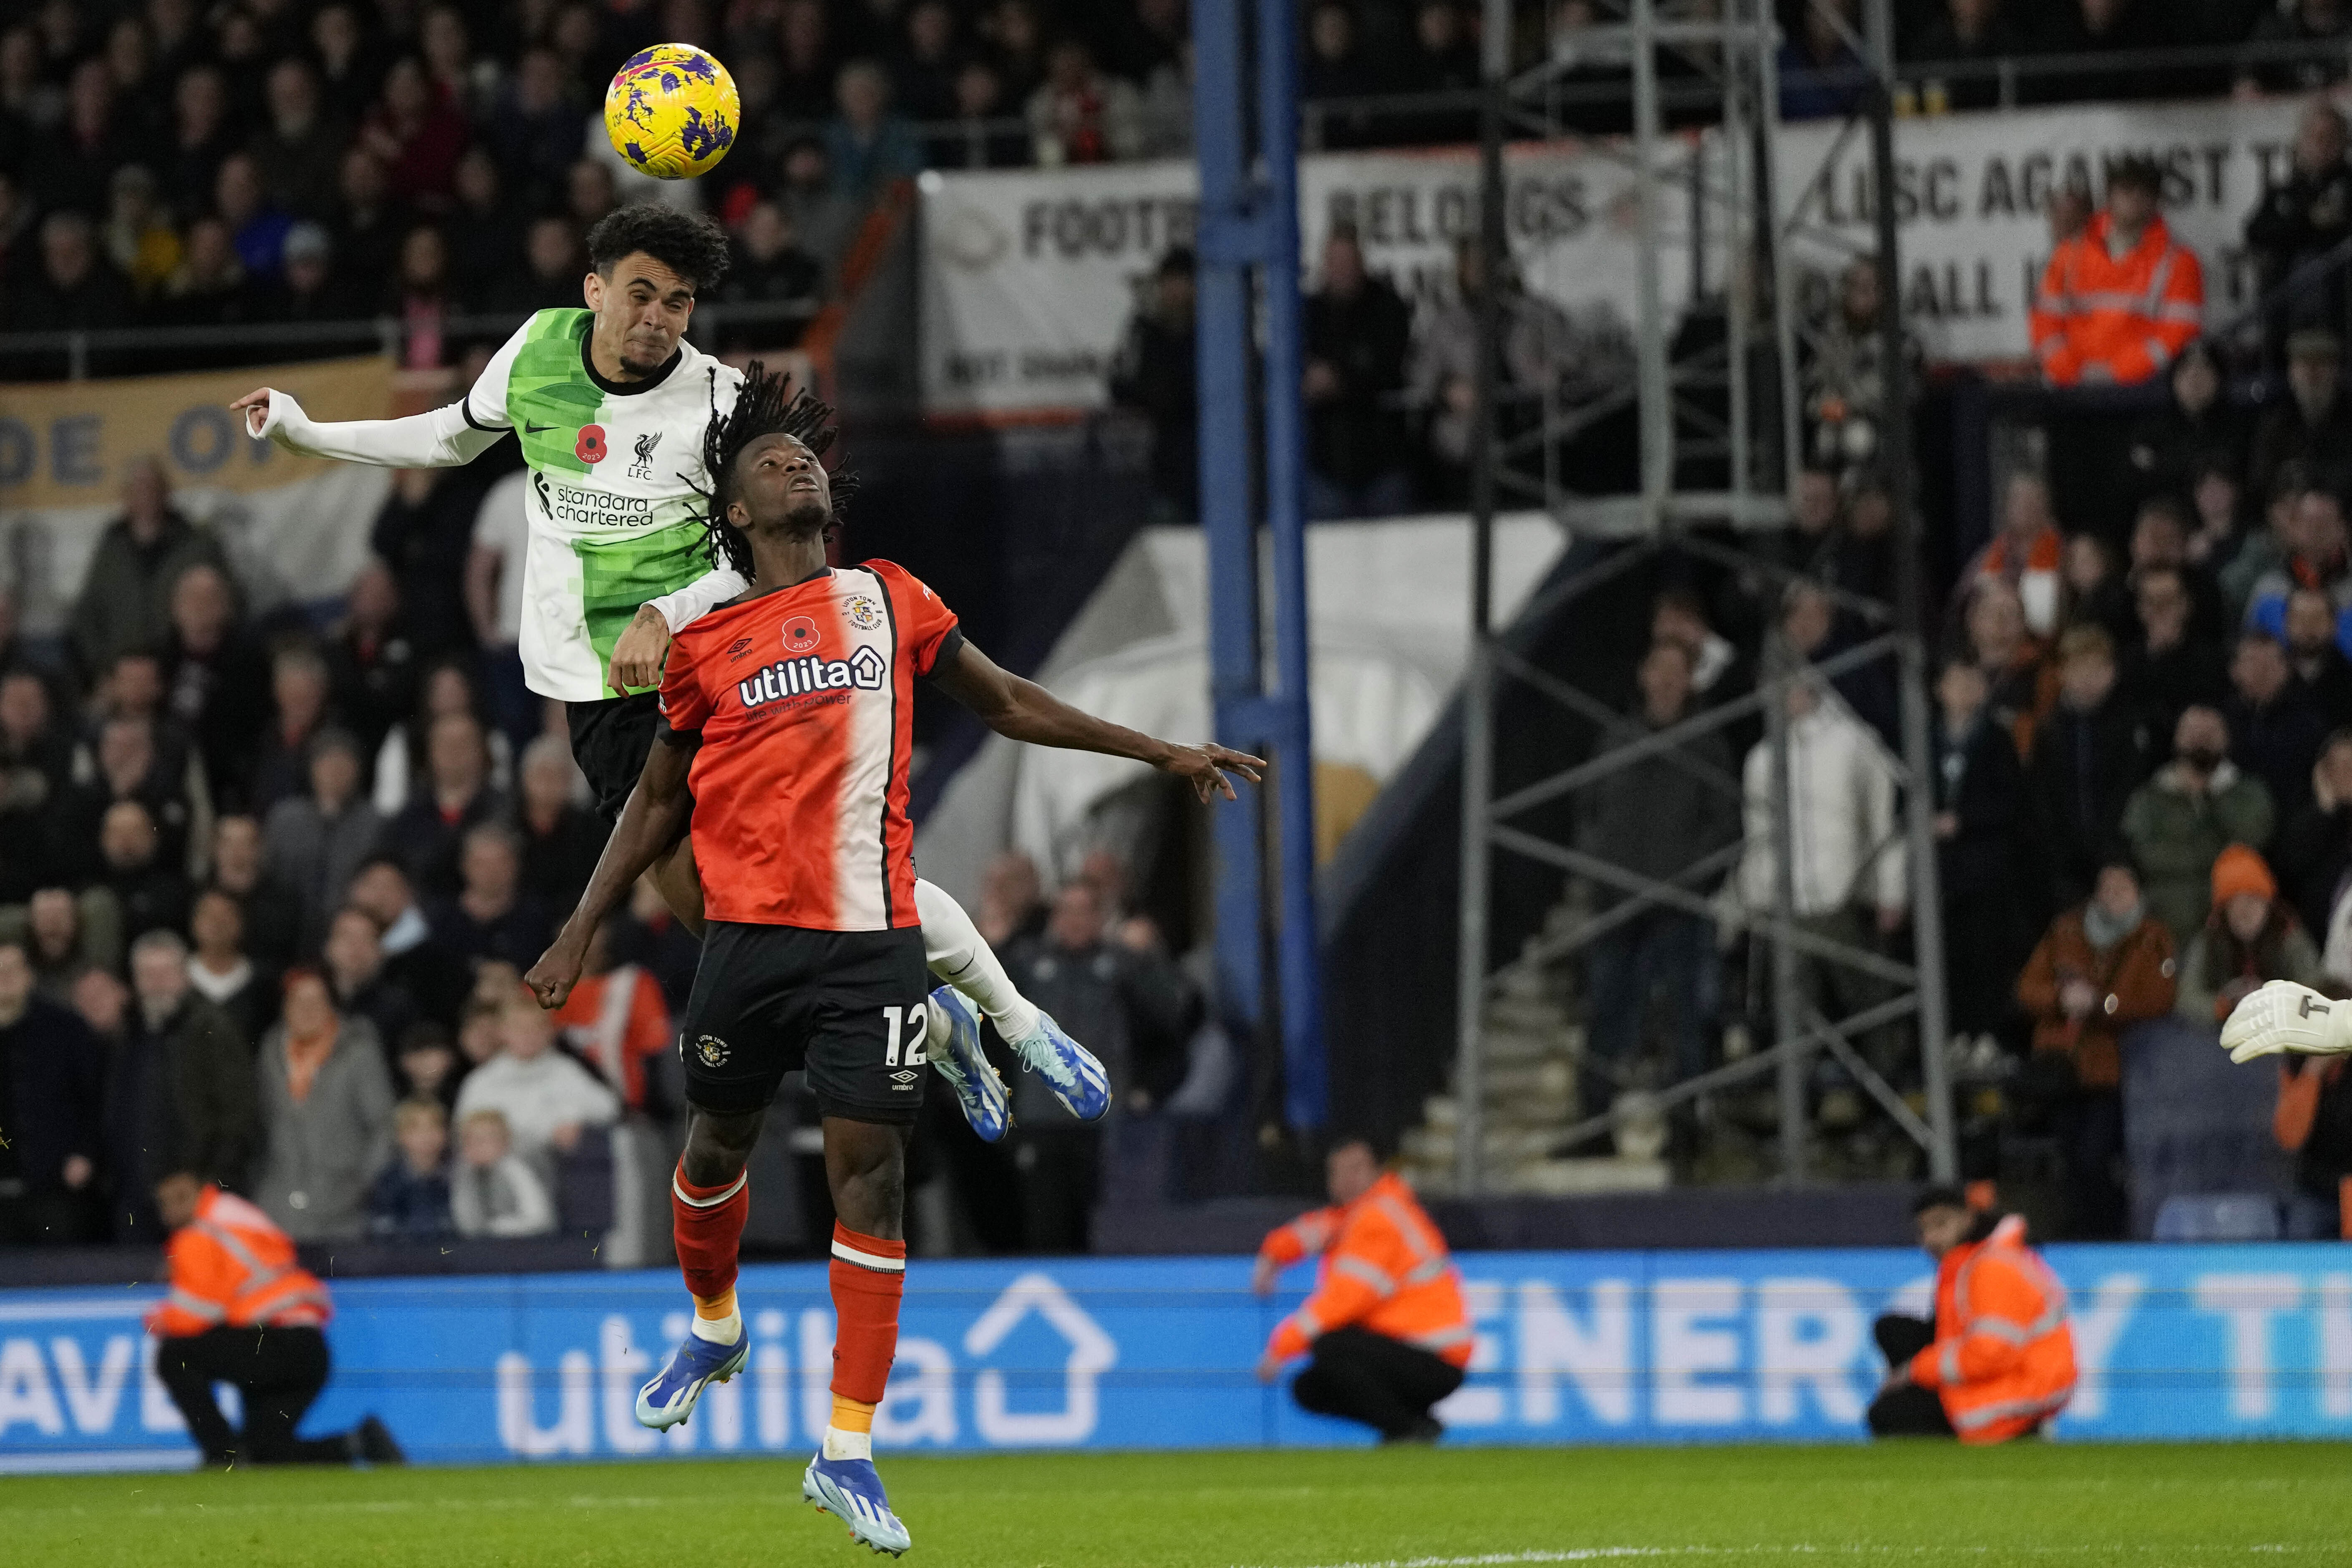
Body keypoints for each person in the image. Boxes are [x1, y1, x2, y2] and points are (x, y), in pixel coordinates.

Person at [521, 368, 1260, 1554]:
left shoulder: (888, 597)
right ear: (735, 513)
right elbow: (653, 806)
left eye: (803, 457)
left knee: (873, 1183)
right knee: (716, 1146)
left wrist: (1159, 750)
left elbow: (1009, 698)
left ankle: (847, 1447)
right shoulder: (705, 647)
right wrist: (578, 929)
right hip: (748, 941)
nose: (796, 467)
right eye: (767, 464)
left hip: (869, 948)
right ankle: (714, 1323)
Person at [237, 205, 1083, 1066]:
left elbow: (756, 558)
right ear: (594, 290)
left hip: (706, 671)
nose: (656, 318)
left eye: (676, 303)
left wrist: (663, 612)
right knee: (727, 919)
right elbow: (449, 437)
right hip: (596, 691)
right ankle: (940, 1028)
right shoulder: (536, 350)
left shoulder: (717, 400)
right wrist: (307, 429)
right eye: (640, 295)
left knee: (819, 873)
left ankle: (1014, 1016)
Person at [1574, 639, 1739, 1111]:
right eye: (1659, 669)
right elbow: (1588, 811)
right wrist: (1601, 870)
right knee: (1607, 1014)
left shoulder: (1707, 743)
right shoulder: (1617, 738)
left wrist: (1690, 879)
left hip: (1680, 907)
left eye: (1677, 670)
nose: (1666, 680)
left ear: (1690, 681)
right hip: (1617, 903)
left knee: (1685, 1015)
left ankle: (1685, 1119)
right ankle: (1595, 1118)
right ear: (1644, 675)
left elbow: (1725, 822)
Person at [145, 1169, 405, 1468]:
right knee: (267, 1453)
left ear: (193, 1195)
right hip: (307, 1349)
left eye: (173, 1201)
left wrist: (157, 1320)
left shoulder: (198, 1234)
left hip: (273, 1340)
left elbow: (198, 1314)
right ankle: (359, 1441)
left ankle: (223, 1455)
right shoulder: (235, 1215)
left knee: (175, 1355)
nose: (167, 1211)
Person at [1001, 877, 1195, 1251]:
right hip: (1042, 1119)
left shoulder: (1122, 963)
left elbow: (1175, 1015)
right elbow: (980, 1014)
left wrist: (1149, 956)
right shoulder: (1025, 962)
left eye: (1084, 911)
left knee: (1104, 1231)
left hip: (1103, 1121)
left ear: (1101, 917)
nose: (1075, 921)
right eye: (1066, 911)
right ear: (1054, 917)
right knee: (1045, 1232)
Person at [1251, 1135, 1471, 1444]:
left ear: (1378, 1172)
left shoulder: (1377, 1218)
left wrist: (1281, 1348)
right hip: (1416, 1353)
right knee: (1309, 1387)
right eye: (1338, 1172)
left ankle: (1404, 1430)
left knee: (1330, 1346)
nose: (1345, 1180)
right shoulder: (1364, 1213)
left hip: (1432, 1355)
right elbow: (1317, 1229)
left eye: (1356, 1169)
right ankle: (1414, 1424)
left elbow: (1346, 1299)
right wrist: (1272, 1256)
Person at [2015, 857, 2178, 1240]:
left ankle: (2108, 1233)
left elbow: (2159, 998)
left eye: (2122, 889)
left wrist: (2104, 1004)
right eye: (2107, 888)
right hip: (2066, 1070)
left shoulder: (2153, 938)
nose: (2113, 897)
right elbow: (2027, 989)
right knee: (2071, 1159)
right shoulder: (2066, 931)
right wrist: (2061, 999)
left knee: (2096, 1158)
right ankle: (2083, 1232)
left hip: (2121, 1071)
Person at [1866, 1188, 2077, 1442]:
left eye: (1941, 1224)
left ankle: (2021, 1431)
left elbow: (1990, 1354)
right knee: (1893, 1330)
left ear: (1968, 1219)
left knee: (1891, 1414)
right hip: (2006, 1375)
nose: (1931, 1238)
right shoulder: (1964, 1265)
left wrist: (1913, 1371)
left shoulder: (1990, 1267)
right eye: (1923, 1230)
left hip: (2020, 1389)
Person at [2029, 156, 2203, 388]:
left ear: (2156, 201)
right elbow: (2045, 322)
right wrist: (2068, 371)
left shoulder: (2180, 262)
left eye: (2144, 192)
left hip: (2143, 393)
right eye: (2126, 189)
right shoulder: (2068, 255)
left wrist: (2121, 374)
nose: (2135, 199)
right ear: (2110, 195)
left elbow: (2177, 333)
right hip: (2071, 392)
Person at [252, 968, 395, 1243]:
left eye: (316, 1001)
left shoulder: (359, 1052)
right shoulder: (271, 1051)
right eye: (297, 1001)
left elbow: (383, 1125)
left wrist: (362, 1184)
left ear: (331, 1006)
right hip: (278, 1206)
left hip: (343, 1207)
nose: (306, 1010)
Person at [2122, 705, 2277, 943]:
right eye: (2193, 731)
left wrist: (2210, 797)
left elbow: (2248, 845)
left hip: (2228, 932)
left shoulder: (2248, 793)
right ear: (2177, 738)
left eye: (2210, 732)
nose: (2200, 739)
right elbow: (2140, 852)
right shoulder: (2150, 797)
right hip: (2163, 924)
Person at [68, 457, 229, 684]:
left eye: (151, 488)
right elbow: (89, 614)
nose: (145, 496)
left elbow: (230, 604)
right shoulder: (111, 549)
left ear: (166, 492)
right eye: (137, 489)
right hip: (124, 677)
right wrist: (103, 671)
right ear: (125, 496)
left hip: (186, 674)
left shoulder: (198, 545)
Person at [1302, 223, 1414, 519]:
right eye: (1334, 262)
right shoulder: (1306, 313)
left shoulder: (1388, 308)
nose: (1341, 270)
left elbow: (1388, 368)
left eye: (1348, 262)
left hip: (1382, 462)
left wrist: (1338, 380)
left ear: (1361, 263)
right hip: (1324, 465)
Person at [450, 985, 620, 1172]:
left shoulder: (564, 1069)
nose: (528, 1036)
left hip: (561, 1170)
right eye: (520, 1028)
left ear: (549, 1032)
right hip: (504, 1173)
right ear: (503, 1032)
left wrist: (571, 1118)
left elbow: (608, 1107)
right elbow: (465, 1132)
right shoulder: (482, 1082)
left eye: (536, 1028)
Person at [0, 936, 103, 1244]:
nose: (4, 978)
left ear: (30, 975)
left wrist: (87, 1153)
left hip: (55, 1187)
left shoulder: (65, 1028)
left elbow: (95, 1098)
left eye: (12, 969)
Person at [2176, 846, 2329, 1033]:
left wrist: (2277, 1002)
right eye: (2234, 903)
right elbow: (2186, 997)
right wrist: (2223, 1006)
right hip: (2222, 1037)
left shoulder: (2288, 935)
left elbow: (2316, 988)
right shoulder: (2210, 939)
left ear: (2267, 904)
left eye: (2252, 901)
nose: (2244, 912)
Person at [2245, 99, 2352, 359]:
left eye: (2329, 138)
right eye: (2314, 137)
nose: (2321, 145)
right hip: (2287, 321)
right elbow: (2256, 233)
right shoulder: (2284, 192)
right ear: (2300, 142)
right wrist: (2310, 223)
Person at [449, 1106, 555, 1238]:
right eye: (472, 1140)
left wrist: (498, 1228)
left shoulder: (516, 1169)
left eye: (487, 1139)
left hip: (525, 1242)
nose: (479, 1147)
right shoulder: (464, 1172)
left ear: (505, 1142)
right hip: (483, 1245)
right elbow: (465, 1222)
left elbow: (541, 1219)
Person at [366, 1096, 454, 1238]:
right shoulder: (388, 1182)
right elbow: (381, 1229)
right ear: (400, 1135)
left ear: (446, 1133)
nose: (426, 1136)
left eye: (434, 1127)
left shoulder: (457, 1178)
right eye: (415, 1128)